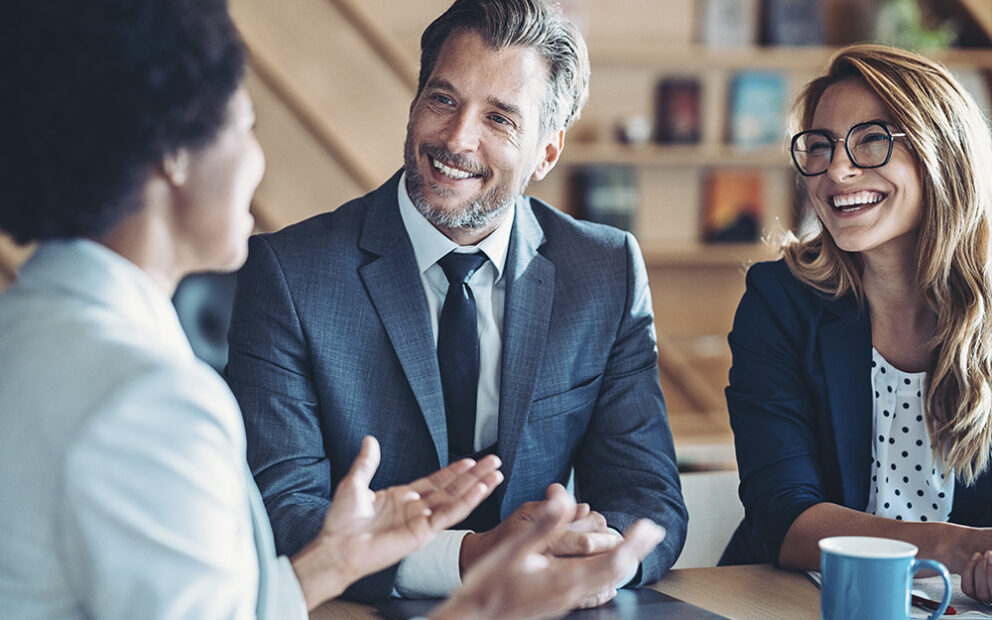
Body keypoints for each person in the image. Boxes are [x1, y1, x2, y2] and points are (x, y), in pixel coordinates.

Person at [0, 0, 664, 618]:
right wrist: (478, 600)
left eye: (498, 116)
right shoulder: (152, 399)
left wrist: (336, 559)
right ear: (173, 154)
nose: (257, 165)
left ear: (546, 151)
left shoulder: (29, 328)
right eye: (247, 127)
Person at [226, 0, 686, 604]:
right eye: (443, 99)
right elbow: (280, 510)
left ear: (546, 153)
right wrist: (470, 558)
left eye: (500, 119)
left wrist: (597, 556)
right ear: (414, 105)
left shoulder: (605, 271)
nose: (457, 139)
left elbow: (648, 493)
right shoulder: (289, 273)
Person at [721, 43, 992, 601]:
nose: (837, 170)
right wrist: (955, 548)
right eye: (820, 146)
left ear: (943, 151)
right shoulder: (780, 301)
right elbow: (782, 514)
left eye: (871, 140)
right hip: (796, 602)